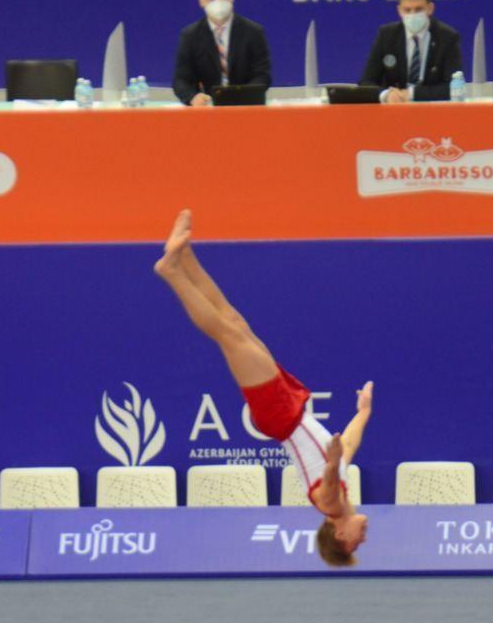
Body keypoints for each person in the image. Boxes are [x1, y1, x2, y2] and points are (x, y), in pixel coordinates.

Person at [153, 210, 372, 567]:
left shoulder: (332, 505)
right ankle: (186, 257)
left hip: (281, 416)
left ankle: (172, 273)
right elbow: (348, 445)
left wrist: (331, 463)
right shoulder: (345, 497)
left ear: (340, 536)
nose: (363, 539)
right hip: (289, 411)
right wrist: (363, 413)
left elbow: (330, 476)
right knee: (236, 323)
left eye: (356, 545)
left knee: (228, 335)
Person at [173, 0, 273, 107]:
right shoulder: (190, 36)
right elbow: (181, 79)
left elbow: (263, 74)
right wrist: (193, 97)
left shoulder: (254, 32)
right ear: (201, 1)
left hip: (247, 108)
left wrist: (243, 96)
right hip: (207, 111)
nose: (218, 3)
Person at [359, 0, 463, 103]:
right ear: (399, 11)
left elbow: (453, 88)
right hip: (394, 113)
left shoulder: (447, 37)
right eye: (407, 10)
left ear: (430, 9)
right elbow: (366, 82)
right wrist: (387, 95)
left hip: (434, 112)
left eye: (418, 9)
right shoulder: (386, 36)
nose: (412, 15)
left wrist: (412, 94)